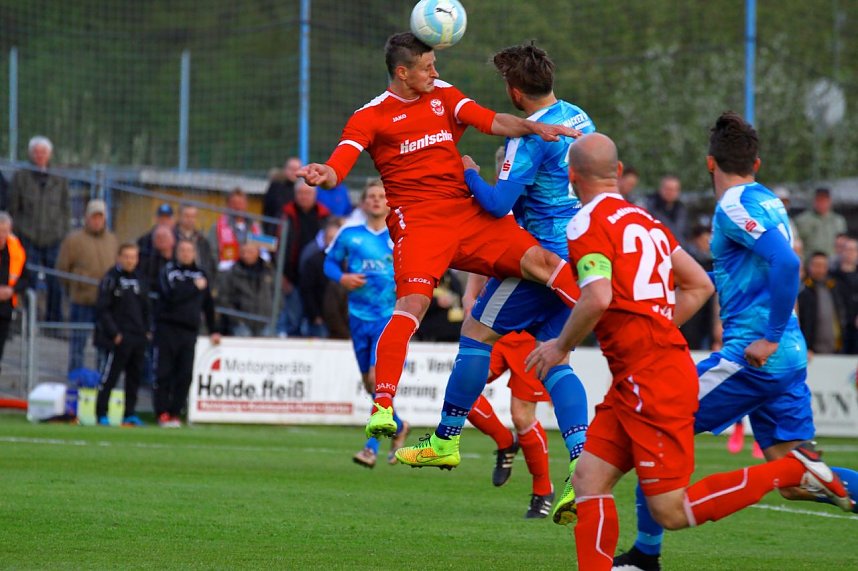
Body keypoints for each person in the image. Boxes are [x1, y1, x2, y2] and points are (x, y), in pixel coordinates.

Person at [298, 33, 582, 441]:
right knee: (412, 304)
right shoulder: (371, 115)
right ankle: (383, 406)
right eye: (428, 67)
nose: (436, 72)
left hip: (467, 213)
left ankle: (614, 322)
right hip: (418, 222)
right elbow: (341, 162)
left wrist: (533, 127)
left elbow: (491, 120)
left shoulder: (443, 94)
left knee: (545, 263)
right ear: (402, 72)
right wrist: (323, 174)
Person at [610, 114, 858, 570]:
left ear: (710, 163)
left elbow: (785, 264)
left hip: (755, 358)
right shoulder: (771, 201)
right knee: (795, 477)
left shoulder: (733, 206)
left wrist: (768, 336)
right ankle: (645, 554)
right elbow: (784, 260)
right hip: (785, 362)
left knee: (657, 418)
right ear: (757, 163)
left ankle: (645, 556)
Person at [393, 43, 592, 526]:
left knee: (476, 333)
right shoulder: (581, 119)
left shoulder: (526, 142)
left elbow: (499, 205)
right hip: (580, 255)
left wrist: (469, 172)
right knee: (555, 359)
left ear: (514, 92)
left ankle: (445, 438)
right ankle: (583, 465)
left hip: (537, 260)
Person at [324, 181, 409, 467]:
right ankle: (397, 424)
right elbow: (330, 264)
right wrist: (343, 278)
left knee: (376, 378)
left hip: (389, 315)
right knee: (368, 382)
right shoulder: (349, 235)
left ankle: (370, 448)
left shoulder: (399, 235)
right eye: (370, 196)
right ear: (362, 203)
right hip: (358, 317)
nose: (375, 200)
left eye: (381, 196)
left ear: (389, 202)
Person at [467, 331, 555, 518]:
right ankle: (506, 442)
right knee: (463, 390)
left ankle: (543, 489)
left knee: (522, 417)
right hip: (492, 329)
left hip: (530, 336)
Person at [153, 239, 220, 427]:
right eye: (182, 250)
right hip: (167, 328)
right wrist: (192, 287)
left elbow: (208, 304)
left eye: (189, 250)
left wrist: (214, 329)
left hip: (189, 331)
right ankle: (162, 412)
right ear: (176, 252)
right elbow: (170, 296)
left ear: (195, 253)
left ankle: (175, 413)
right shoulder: (168, 271)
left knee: (185, 374)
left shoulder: (201, 274)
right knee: (164, 373)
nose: (185, 253)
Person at [8, 135, 70, 322]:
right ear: (31, 154)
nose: (40, 155)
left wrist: (62, 232)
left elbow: (65, 208)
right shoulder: (21, 177)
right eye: (36, 152)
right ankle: (29, 320)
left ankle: (54, 320)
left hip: (53, 238)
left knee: (55, 282)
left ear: (49, 155)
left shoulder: (59, 179)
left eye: (43, 152)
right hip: (28, 237)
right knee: (30, 280)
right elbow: (13, 207)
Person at [56, 199, 119, 375]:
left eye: (100, 217)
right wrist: (78, 284)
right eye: (94, 217)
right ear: (87, 218)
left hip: (106, 304)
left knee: (104, 344)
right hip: (82, 300)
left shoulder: (112, 240)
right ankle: (75, 375)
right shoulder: (73, 240)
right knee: (78, 342)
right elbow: (62, 269)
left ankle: (102, 377)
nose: (97, 221)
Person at [93, 243, 150, 427]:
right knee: (110, 377)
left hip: (138, 337)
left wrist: (148, 330)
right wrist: (114, 333)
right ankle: (101, 413)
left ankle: (129, 414)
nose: (130, 260)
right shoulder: (111, 278)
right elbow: (103, 309)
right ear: (118, 257)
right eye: (126, 256)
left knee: (134, 379)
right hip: (119, 337)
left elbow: (146, 307)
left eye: (133, 257)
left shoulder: (140, 278)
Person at [279, 180, 331, 337]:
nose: (304, 196)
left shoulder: (324, 216)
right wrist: (282, 276)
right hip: (291, 277)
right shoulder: (286, 214)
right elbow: (278, 246)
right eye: (300, 193)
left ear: (315, 195)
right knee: (292, 320)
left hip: (317, 279)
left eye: (307, 193)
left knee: (316, 321)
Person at [218, 242, 275, 337]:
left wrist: (273, 315)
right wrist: (237, 321)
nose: (246, 255)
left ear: (258, 252)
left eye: (250, 252)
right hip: (240, 325)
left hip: (266, 322)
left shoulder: (269, 272)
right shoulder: (232, 273)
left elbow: (278, 297)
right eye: (243, 252)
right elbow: (224, 299)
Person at [299, 217, 343, 338]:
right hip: (320, 320)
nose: (332, 242)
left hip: (342, 321)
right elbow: (307, 290)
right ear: (324, 239)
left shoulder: (348, 262)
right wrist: (314, 316)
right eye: (330, 238)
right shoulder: (313, 261)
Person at [798, 252, 847, 355]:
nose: (819, 269)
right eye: (816, 265)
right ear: (809, 266)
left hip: (836, 350)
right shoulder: (803, 291)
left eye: (823, 266)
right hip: (811, 351)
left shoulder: (834, 287)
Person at [209, 188, 264, 272]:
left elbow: (264, 252)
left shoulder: (256, 227)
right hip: (227, 275)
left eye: (241, 203)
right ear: (228, 205)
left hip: (252, 274)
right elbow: (212, 252)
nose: (238, 207)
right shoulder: (216, 227)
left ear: (246, 205)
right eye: (234, 203)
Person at [0, 212, 28, 373]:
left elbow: (25, 278)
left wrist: (12, 290)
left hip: (5, 309)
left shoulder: (16, 250)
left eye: (5, 231)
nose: (2, 235)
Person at [795, 187, 847, 257]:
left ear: (830, 201)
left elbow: (842, 244)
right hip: (810, 263)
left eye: (824, 200)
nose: (821, 203)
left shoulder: (839, 220)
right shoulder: (801, 220)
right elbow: (797, 244)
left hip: (832, 263)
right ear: (814, 201)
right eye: (819, 200)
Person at [175, 204, 216, 280]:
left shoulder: (202, 240)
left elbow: (210, 264)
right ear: (179, 216)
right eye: (187, 216)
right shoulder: (171, 238)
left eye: (193, 216)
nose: (190, 219)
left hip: (199, 284)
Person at [263, 156, 301, 237]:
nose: (294, 172)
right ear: (285, 169)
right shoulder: (276, 187)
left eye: (297, 169)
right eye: (291, 169)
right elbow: (269, 209)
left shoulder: (300, 189)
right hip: (274, 231)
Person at [645, 174, 688, 245]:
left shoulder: (681, 210)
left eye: (674, 189)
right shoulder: (650, 206)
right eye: (668, 189)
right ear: (661, 189)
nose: (670, 192)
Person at [832, 237, 858, 354]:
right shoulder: (832, 277)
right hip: (837, 327)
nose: (850, 253)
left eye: (853, 250)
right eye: (847, 249)